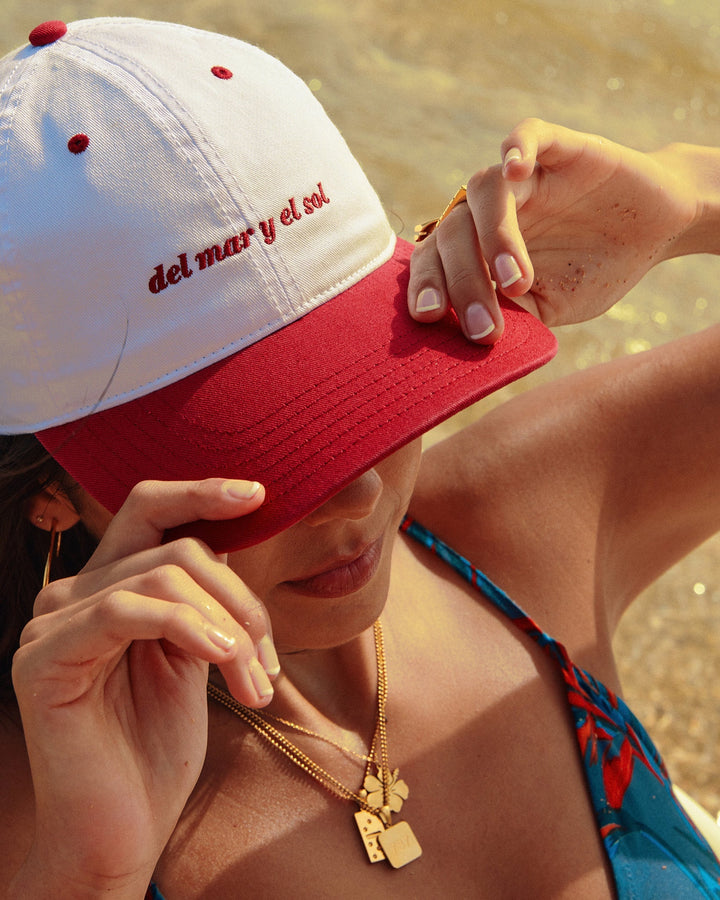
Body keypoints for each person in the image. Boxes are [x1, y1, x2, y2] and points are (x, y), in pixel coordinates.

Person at [1, 17, 719, 900]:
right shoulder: (47, 817)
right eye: (262, 446)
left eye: (368, 391)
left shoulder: (520, 527)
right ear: (50, 493)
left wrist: (693, 199)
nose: (361, 489)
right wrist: (92, 874)